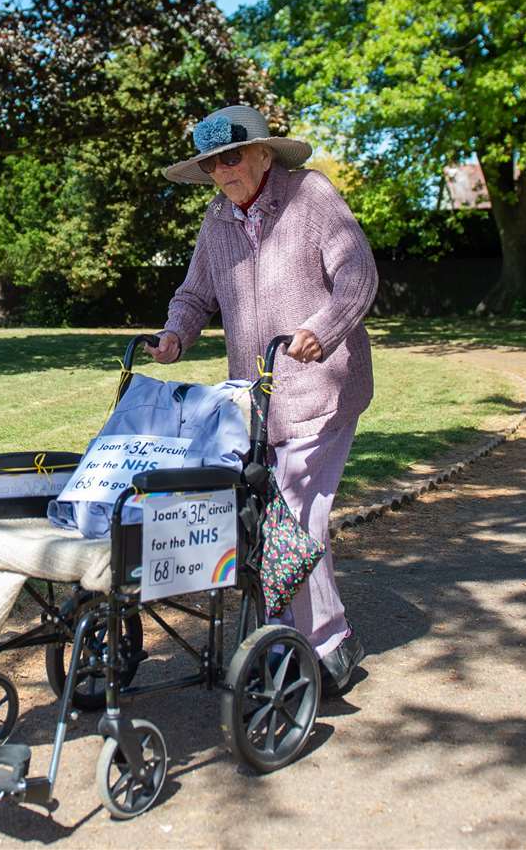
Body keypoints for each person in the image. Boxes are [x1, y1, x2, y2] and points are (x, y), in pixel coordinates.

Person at [147, 104, 378, 697]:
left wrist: (321, 330)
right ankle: (290, 638)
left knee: (295, 516)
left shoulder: (311, 196)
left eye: (231, 157)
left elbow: (358, 276)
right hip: (255, 401)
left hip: (319, 388)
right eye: (211, 164)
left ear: (263, 154)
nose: (222, 171)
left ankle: (322, 646)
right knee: (266, 520)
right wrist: (176, 332)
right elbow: (195, 293)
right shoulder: (218, 219)